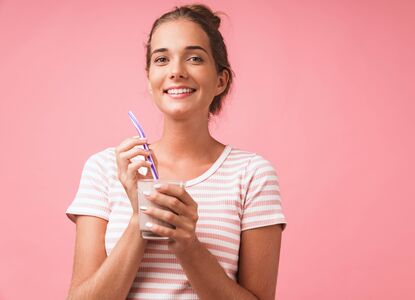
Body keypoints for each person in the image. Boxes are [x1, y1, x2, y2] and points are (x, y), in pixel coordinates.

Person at [66, 4, 286, 299]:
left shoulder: (253, 175)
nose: (176, 71)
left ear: (221, 80)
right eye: (162, 59)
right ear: (149, 79)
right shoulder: (107, 169)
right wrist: (140, 220)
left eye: (194, 58)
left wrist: (188, 245)